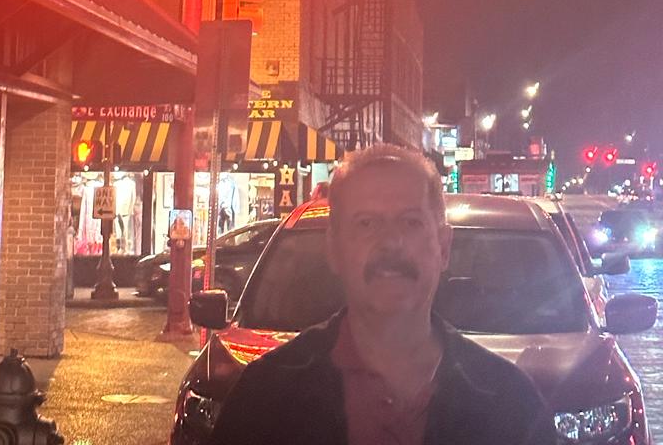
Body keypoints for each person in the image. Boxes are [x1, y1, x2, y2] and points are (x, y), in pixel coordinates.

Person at [210, 144, 556, 445]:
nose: (391, 242)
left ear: (443, 248)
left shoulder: (511, 405)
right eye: (366, 223)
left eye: (411, 222)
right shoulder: (265, 397)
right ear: (334, 249)